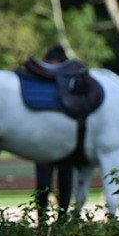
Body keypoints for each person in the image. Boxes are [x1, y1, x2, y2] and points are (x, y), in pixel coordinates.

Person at [33, 44, 77, 218]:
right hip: (48, 144)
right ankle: (43, 222)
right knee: (44, 186)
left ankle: (61, 220)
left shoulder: (72, 87)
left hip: (63, 144)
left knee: (65, 185)